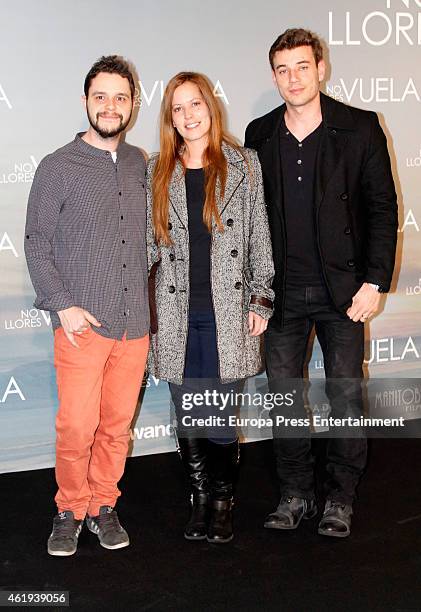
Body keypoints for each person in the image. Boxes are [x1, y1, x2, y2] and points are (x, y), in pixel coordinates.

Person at [245, 29, 398, 537]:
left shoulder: (359, 127)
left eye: (302, 67)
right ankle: (294, 494)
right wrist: (256, 292)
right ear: (274, 77)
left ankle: (340, 497)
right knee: (285, 397)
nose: (293, 78)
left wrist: (375, 281)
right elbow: (249, 220)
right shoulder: (259, 134)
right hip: (282, 295)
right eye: (283, 69)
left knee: (346, 396)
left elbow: (381, 208)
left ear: (320, 69)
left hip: (345, 293)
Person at [25, 55, 149, 556]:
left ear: (133, 105)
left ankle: (103, 505)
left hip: (134, 322)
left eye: (120, 97)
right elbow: (36, 242)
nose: (110, 106)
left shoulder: (142, 163)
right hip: (81, 325)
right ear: (86, 102)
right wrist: (63, 306)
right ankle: (69, 509)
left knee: (117, 425)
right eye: (101, 96)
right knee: (77, 425)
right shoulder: (58, 166)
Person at [146, 72, 274, 543]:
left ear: (210, 106)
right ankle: (199, 499)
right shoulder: (157, 170)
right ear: (170, 118)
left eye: (195, 104)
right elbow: (146, 248)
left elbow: (259, 237)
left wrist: (261, 297)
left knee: (220, 414)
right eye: (177, 109)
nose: (188, 115)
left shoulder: (245, 165)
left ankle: (222, 503)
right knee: (189, 412)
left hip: (229, 313)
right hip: (177, 315)